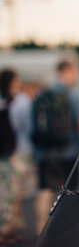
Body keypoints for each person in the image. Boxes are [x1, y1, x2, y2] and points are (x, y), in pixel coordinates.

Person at [32, 59, 79, 235]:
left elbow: (34, 125)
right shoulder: (74, 95)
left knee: (44, 191)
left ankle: (39, 233)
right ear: (70, 71)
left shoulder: (41, 94)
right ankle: (73, 232)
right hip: (69, 153)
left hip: (45, 153)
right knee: (74, 194)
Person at [0, 68, 24, 245]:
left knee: (9, 196)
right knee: (8, 196)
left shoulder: (8, 102)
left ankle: (7, 231)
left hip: (7, 155)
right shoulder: (11, 103)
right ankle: (4, 232)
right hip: (7, 156)